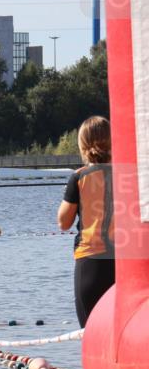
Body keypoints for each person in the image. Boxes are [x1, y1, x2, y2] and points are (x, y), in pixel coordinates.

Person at [58, 116, 114, 327]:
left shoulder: (79, 177)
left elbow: (63, 223)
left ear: (82, 145)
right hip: (125, 261)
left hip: (91, 261)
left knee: (91, 333)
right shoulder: (129, 175)